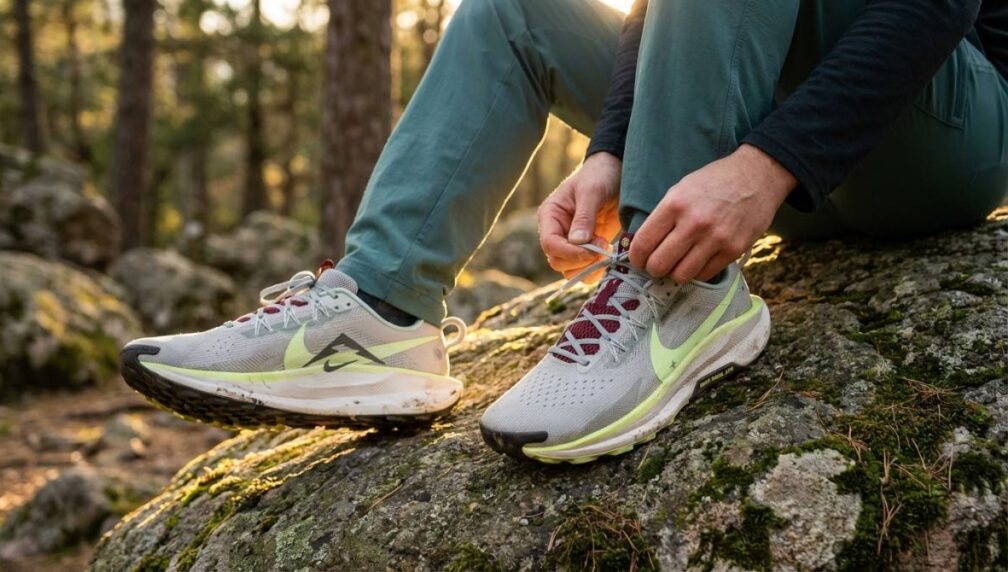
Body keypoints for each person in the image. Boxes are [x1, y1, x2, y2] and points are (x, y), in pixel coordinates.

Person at [120, 0, 1007, 463]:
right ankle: (379, 316)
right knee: (514, 10)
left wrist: (767, 164)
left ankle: (675, 291)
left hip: (941, 135)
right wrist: (616, 146)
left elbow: (934, 6)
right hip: (778, 144)